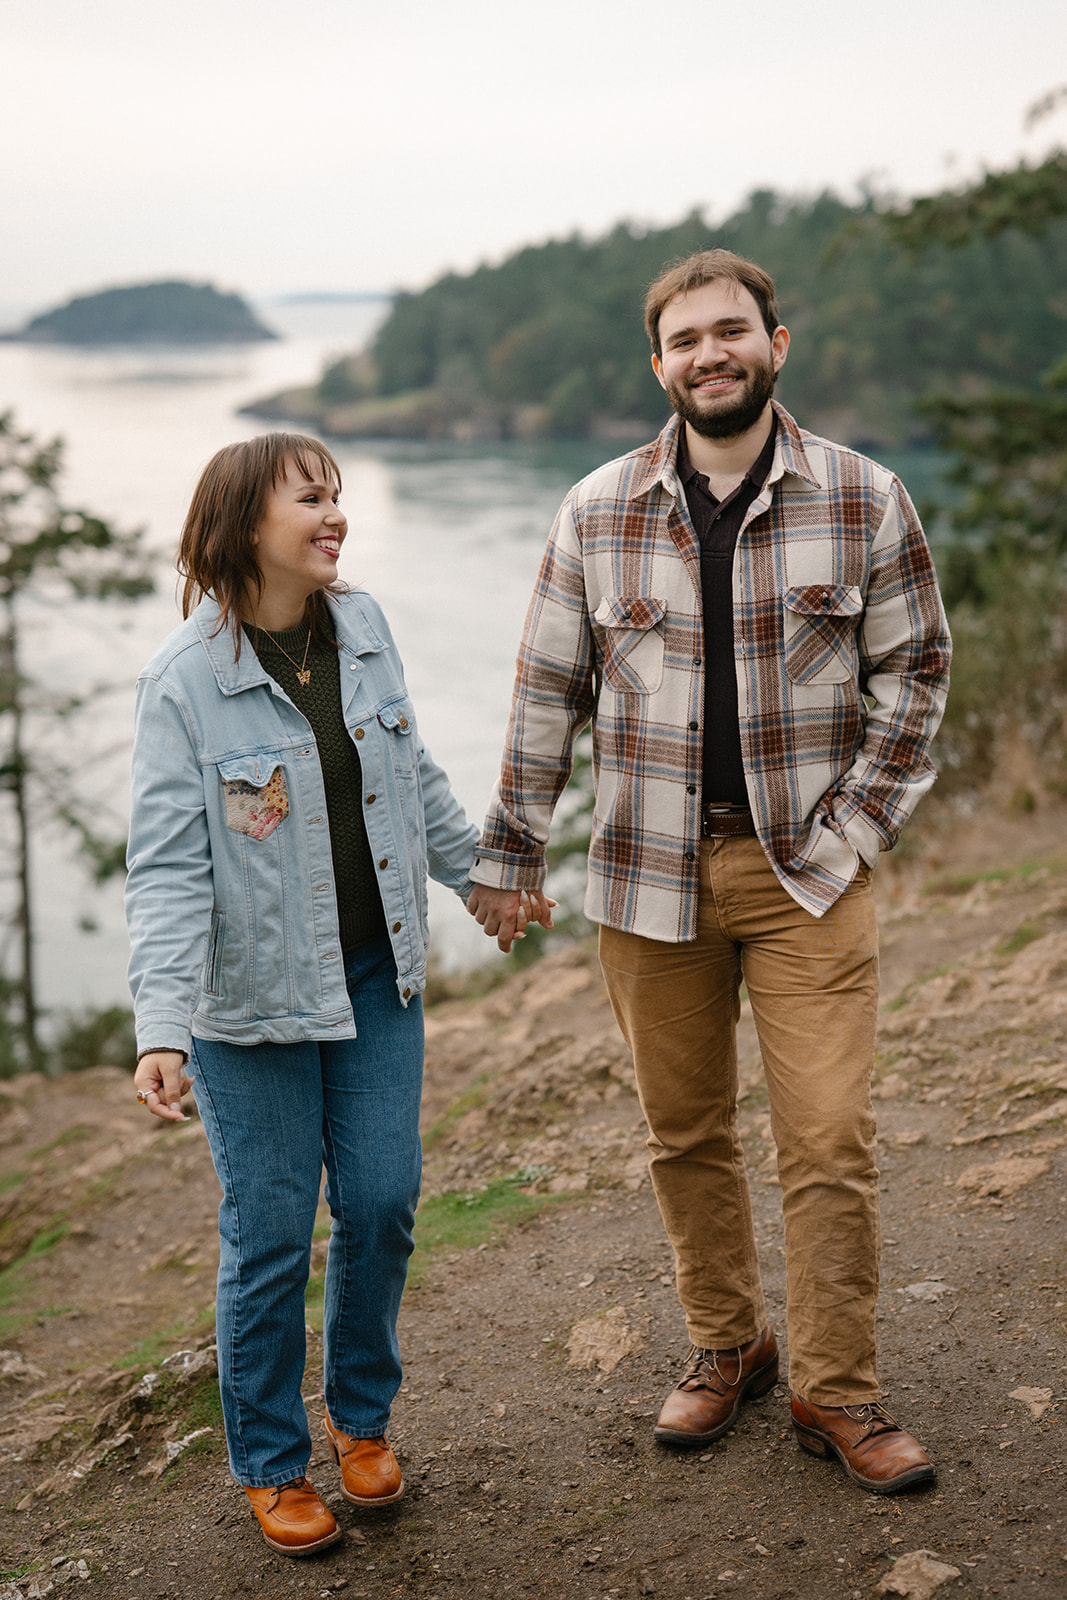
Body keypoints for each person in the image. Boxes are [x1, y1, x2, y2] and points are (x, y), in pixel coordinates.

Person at [467, 250, 951, 1496]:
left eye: (729, 332)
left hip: (807, 874)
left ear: (775, 344)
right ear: (659, 365)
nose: (709, 355)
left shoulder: (862, 495)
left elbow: (916, 680)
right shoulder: (594, 509)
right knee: (682, 1133)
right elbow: (544, 694)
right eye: (684, 341)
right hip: (645, 879)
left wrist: (847, 834)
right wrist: (511, 849)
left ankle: (835, 1392)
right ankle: (728, 1343)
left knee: (827, 1139)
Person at [127, 433, 480, 1554]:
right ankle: (272, 1460)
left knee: (379, 1205)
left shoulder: (363, 626)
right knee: (272, 1234)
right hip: (250, 1010)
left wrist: (480, 877)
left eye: (337, 497)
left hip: (377, 977)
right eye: (310, 501)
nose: (335, 517)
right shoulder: (184, 682)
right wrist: (161, 1028)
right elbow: (171, 870)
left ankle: (362, 1420)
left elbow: (410, 771)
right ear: (243, 526)